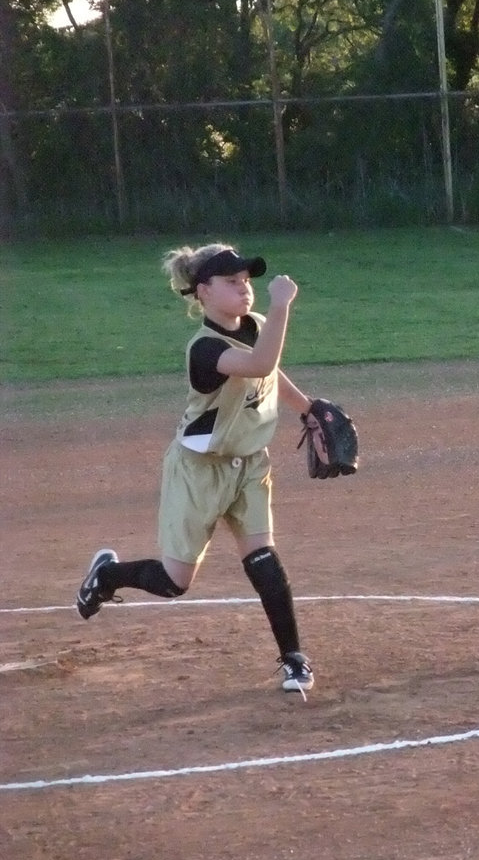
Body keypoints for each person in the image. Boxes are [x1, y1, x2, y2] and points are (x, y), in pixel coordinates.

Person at [75, 244, 317, 695]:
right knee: (173, 582)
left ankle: (293, 660)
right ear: (203, 291)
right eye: (231, 282)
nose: (245, 289)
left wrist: (308, 409)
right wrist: (282, 303)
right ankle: (107, 575)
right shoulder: (204, 349)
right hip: (198, 471)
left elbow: (271, 371)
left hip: (249, 466)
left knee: (263, 559)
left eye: (247, 280)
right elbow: (258, 362)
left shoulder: (258, 327)